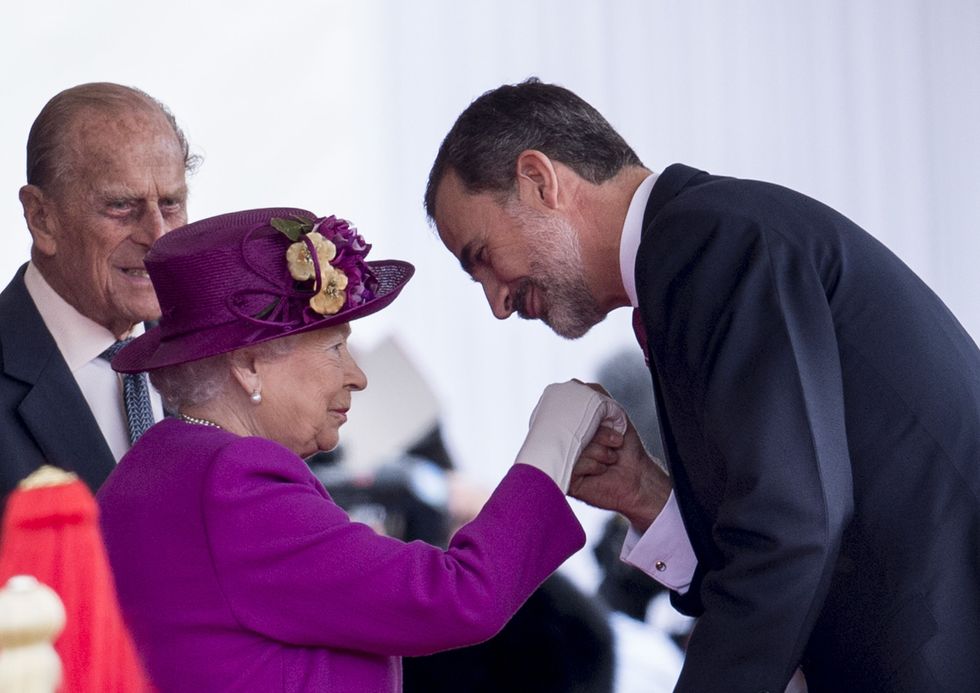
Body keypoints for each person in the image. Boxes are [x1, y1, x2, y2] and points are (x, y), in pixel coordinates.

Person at [425, 77, 980, 692]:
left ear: (539, 180)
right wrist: (643, 493)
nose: (497, 302)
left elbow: (791, 530)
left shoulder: (709, 242)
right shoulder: (694, 249)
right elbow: (786, 524)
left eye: (480, 257)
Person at [96, 207, 626, 692]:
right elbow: (456, 597)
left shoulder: (160, 465)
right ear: (249, 363)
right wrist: (553, 447)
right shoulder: (231, 479)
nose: (358, 376)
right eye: (335, 347)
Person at [0, 82, 196, 499]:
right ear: (41, 218)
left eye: (170, 205)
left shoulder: (208, 354)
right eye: (121, 206)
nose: (156, 235)